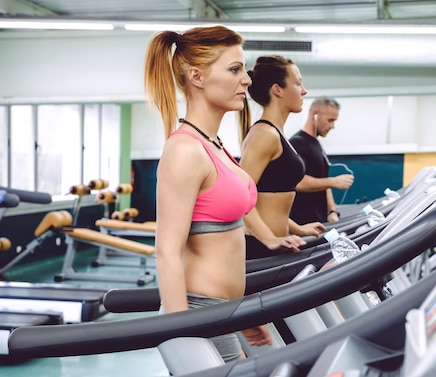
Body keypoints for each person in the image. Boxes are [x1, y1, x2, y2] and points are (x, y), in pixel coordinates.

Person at [144, 25, 271, 363]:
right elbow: (166, 253)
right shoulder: (184, 151)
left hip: (227, 312)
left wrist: (243, 317)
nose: (246, 80)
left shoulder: (215, 145)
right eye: (235, 69)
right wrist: (182, 334)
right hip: (201, 315)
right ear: (196, 77)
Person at [237, 55, 326, 260]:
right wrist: (269, 239)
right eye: (297, 83)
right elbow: (240, 195)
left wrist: (298, 229)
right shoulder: (265, 135)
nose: (304, 91)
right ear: (277, 90)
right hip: (259, 246)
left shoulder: (277, 134)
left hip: (276, 244)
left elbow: (272, 204)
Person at [289, 96, 354, 224]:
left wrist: (332, 211)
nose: (332, 126)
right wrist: (334, 181)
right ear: (315, 115)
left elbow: (324, 181)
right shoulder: (298, 143)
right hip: (302, 223)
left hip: (320, 221)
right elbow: (297, 182)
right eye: (330, 120)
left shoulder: (316, 143)